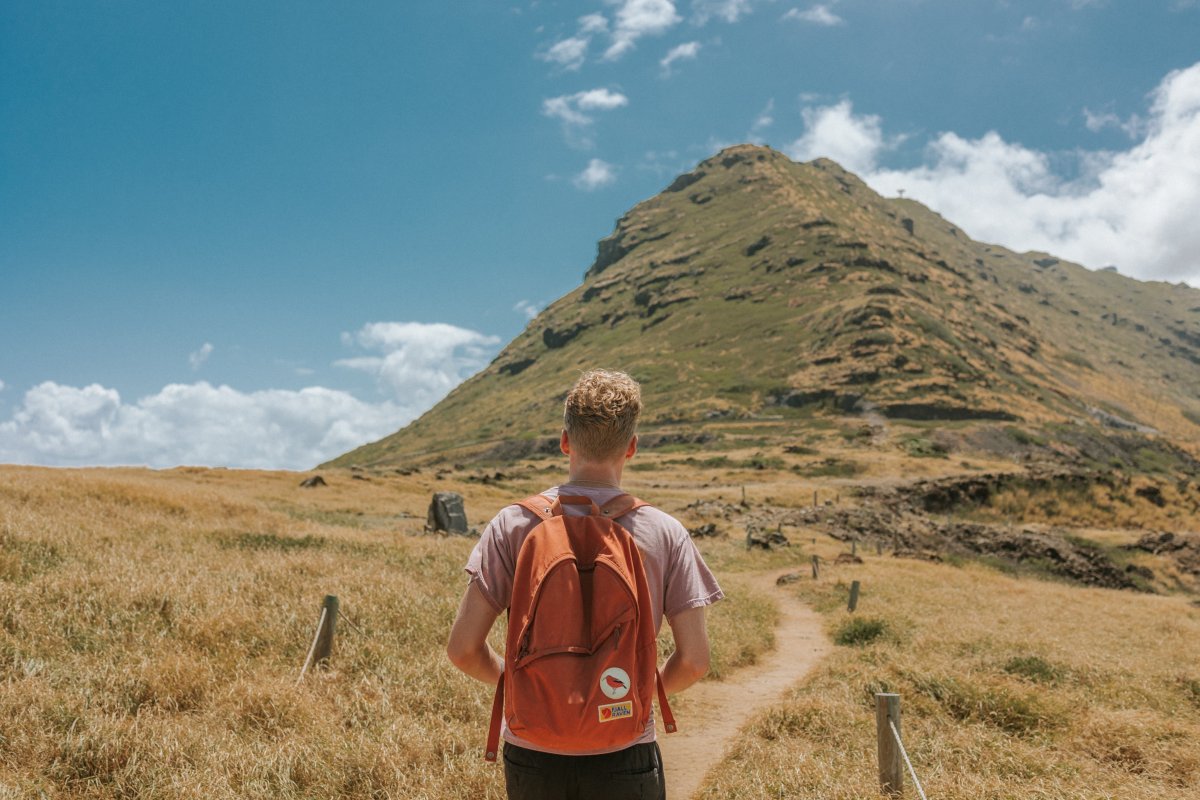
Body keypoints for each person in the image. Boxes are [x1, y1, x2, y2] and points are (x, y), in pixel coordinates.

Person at [447, 368, 724, 800]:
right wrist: (631, 696)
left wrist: (525, 688)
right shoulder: (664, 531)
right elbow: (694, 661)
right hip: (625, 748)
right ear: (631, 447)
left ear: (564, 441)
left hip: (532, 750)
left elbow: (463, 650)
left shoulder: (512, 524)